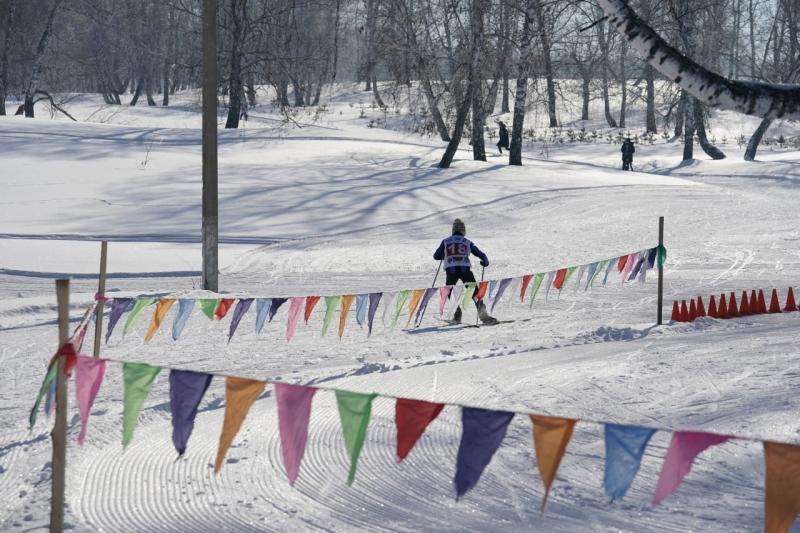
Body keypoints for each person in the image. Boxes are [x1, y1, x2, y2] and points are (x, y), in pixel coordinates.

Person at [433, 218, 497, 324]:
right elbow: (481, 255)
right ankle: (483, 315)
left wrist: (443, 255)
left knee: (450, 292)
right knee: (474, 291)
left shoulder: (446, 241)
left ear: (453, 230)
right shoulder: (467, 242)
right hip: (465, 269)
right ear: (463, 231)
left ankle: (457, 315)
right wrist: (484, 262)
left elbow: (436, 256)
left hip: (451, 270)